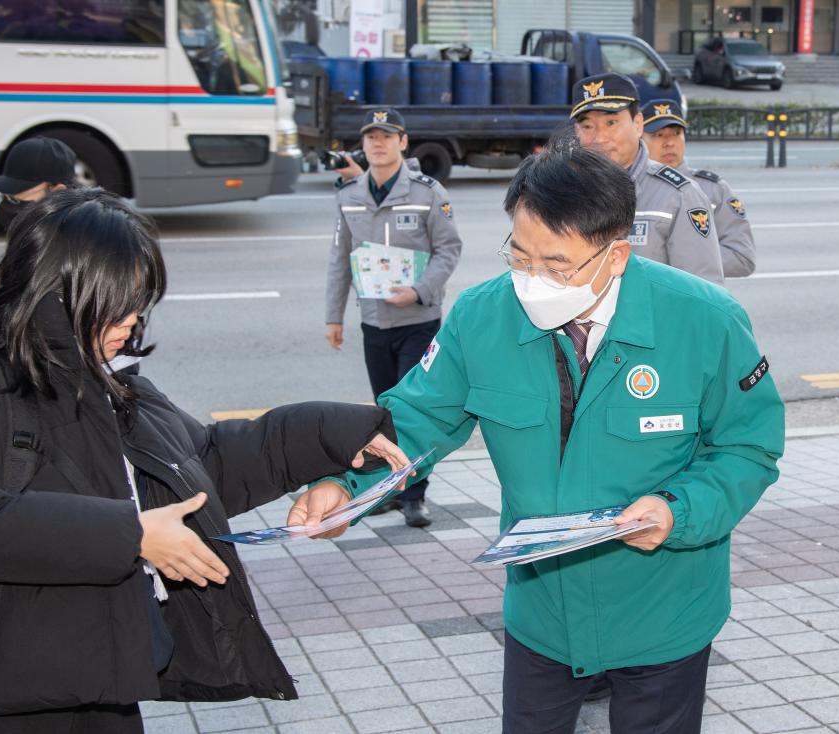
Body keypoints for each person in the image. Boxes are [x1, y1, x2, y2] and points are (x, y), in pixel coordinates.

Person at [297, 146, 785, 733]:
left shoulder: (703, 319)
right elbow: (414, 419)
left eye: (558, 265)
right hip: (542, 614)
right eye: (519, 256)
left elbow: (747, 447)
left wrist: (679, 511)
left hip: (664, 610)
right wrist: (345, 485)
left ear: (617, 255)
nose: (533, 280)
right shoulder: (483, 316)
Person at [0, 188, 410, 733]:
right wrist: (128, 535)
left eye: (139, 300)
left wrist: (333, 432)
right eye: (116, 301)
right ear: (55, 292)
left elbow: (202, 464)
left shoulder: (103, 378)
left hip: (101, 682)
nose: (132, 319)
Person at [324, 107, 463, 528]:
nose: (378, 143)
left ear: (403, 142)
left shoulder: (428, 192)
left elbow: (449, 249)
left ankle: (416, 496)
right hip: (374, 322)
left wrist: (420, 290)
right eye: (371, 137)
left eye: (387, 136)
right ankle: (387, 489)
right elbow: (339, 259)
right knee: (382, 414)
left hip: (418, 322)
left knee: (414, 412)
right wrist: (333, 316)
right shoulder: (349, 196)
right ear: (363, 146)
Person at [571, 73, 724, 286]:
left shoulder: (679, 196)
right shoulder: (565, 192)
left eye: (611, 122)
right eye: (588, 126)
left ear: (638, 124)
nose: (599, 138)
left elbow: (701, 292)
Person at [641, 98, 757, 278]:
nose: (669, 142)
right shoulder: (630, 187)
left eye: (676, 133)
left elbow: (742, 258)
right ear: (640, 139)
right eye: (658, 135)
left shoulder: (713, 189)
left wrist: (683, 258)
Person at [0, 136, 77, 232]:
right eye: (3, 195)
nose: (6, 206)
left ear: (58, 192)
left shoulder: (76, 242)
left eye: (14, 200)